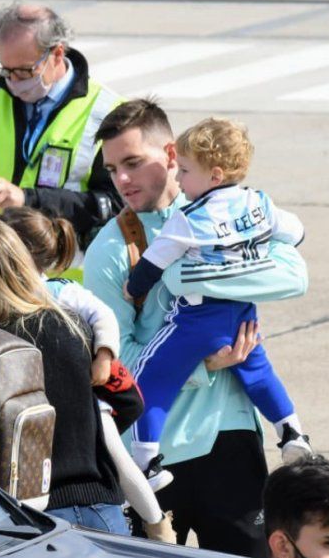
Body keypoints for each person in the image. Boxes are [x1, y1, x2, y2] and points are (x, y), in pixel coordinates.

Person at [84, 98, 309, 558]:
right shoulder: (109, 250)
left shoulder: (233, 214)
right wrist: (204, 363)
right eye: (112, 169)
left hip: (230, 438)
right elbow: (115, 361)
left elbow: (294, 276)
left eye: (132, 163)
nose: (122, 180)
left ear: (172, 157)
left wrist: (193, 277)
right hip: (151, 457)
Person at [123, 117, 311, 489]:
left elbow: (153, 264)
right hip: (244, 314)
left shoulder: (188, 219)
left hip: (197, 319)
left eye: (187, 171)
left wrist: (132, 288)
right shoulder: (259, 203)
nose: (178, 180)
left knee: (149, 377)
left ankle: (146, 461)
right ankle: (292, 434)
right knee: (258, 374)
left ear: (215, 174)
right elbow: (296, 233)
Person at [0, 207, 173, 541]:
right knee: (109, 448)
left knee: (112, 449)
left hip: (89, 384)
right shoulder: (28, 298)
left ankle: (158, 523)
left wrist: (104, 357)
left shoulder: (59, 291)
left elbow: (103, 315)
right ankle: (156, 522)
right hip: (79, 395)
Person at [0, 217, 132, 535]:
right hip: (99, 504)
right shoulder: (74, 325)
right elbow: (129, 400)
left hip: (24, 517)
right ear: (22, 262)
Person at [0, 2, 123, 276]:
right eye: (6, 69)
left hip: (62, 280)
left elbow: (113, 205)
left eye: (25, 71)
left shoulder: (106, 111)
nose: (13, 81)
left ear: (57, 53)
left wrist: (27, 200)